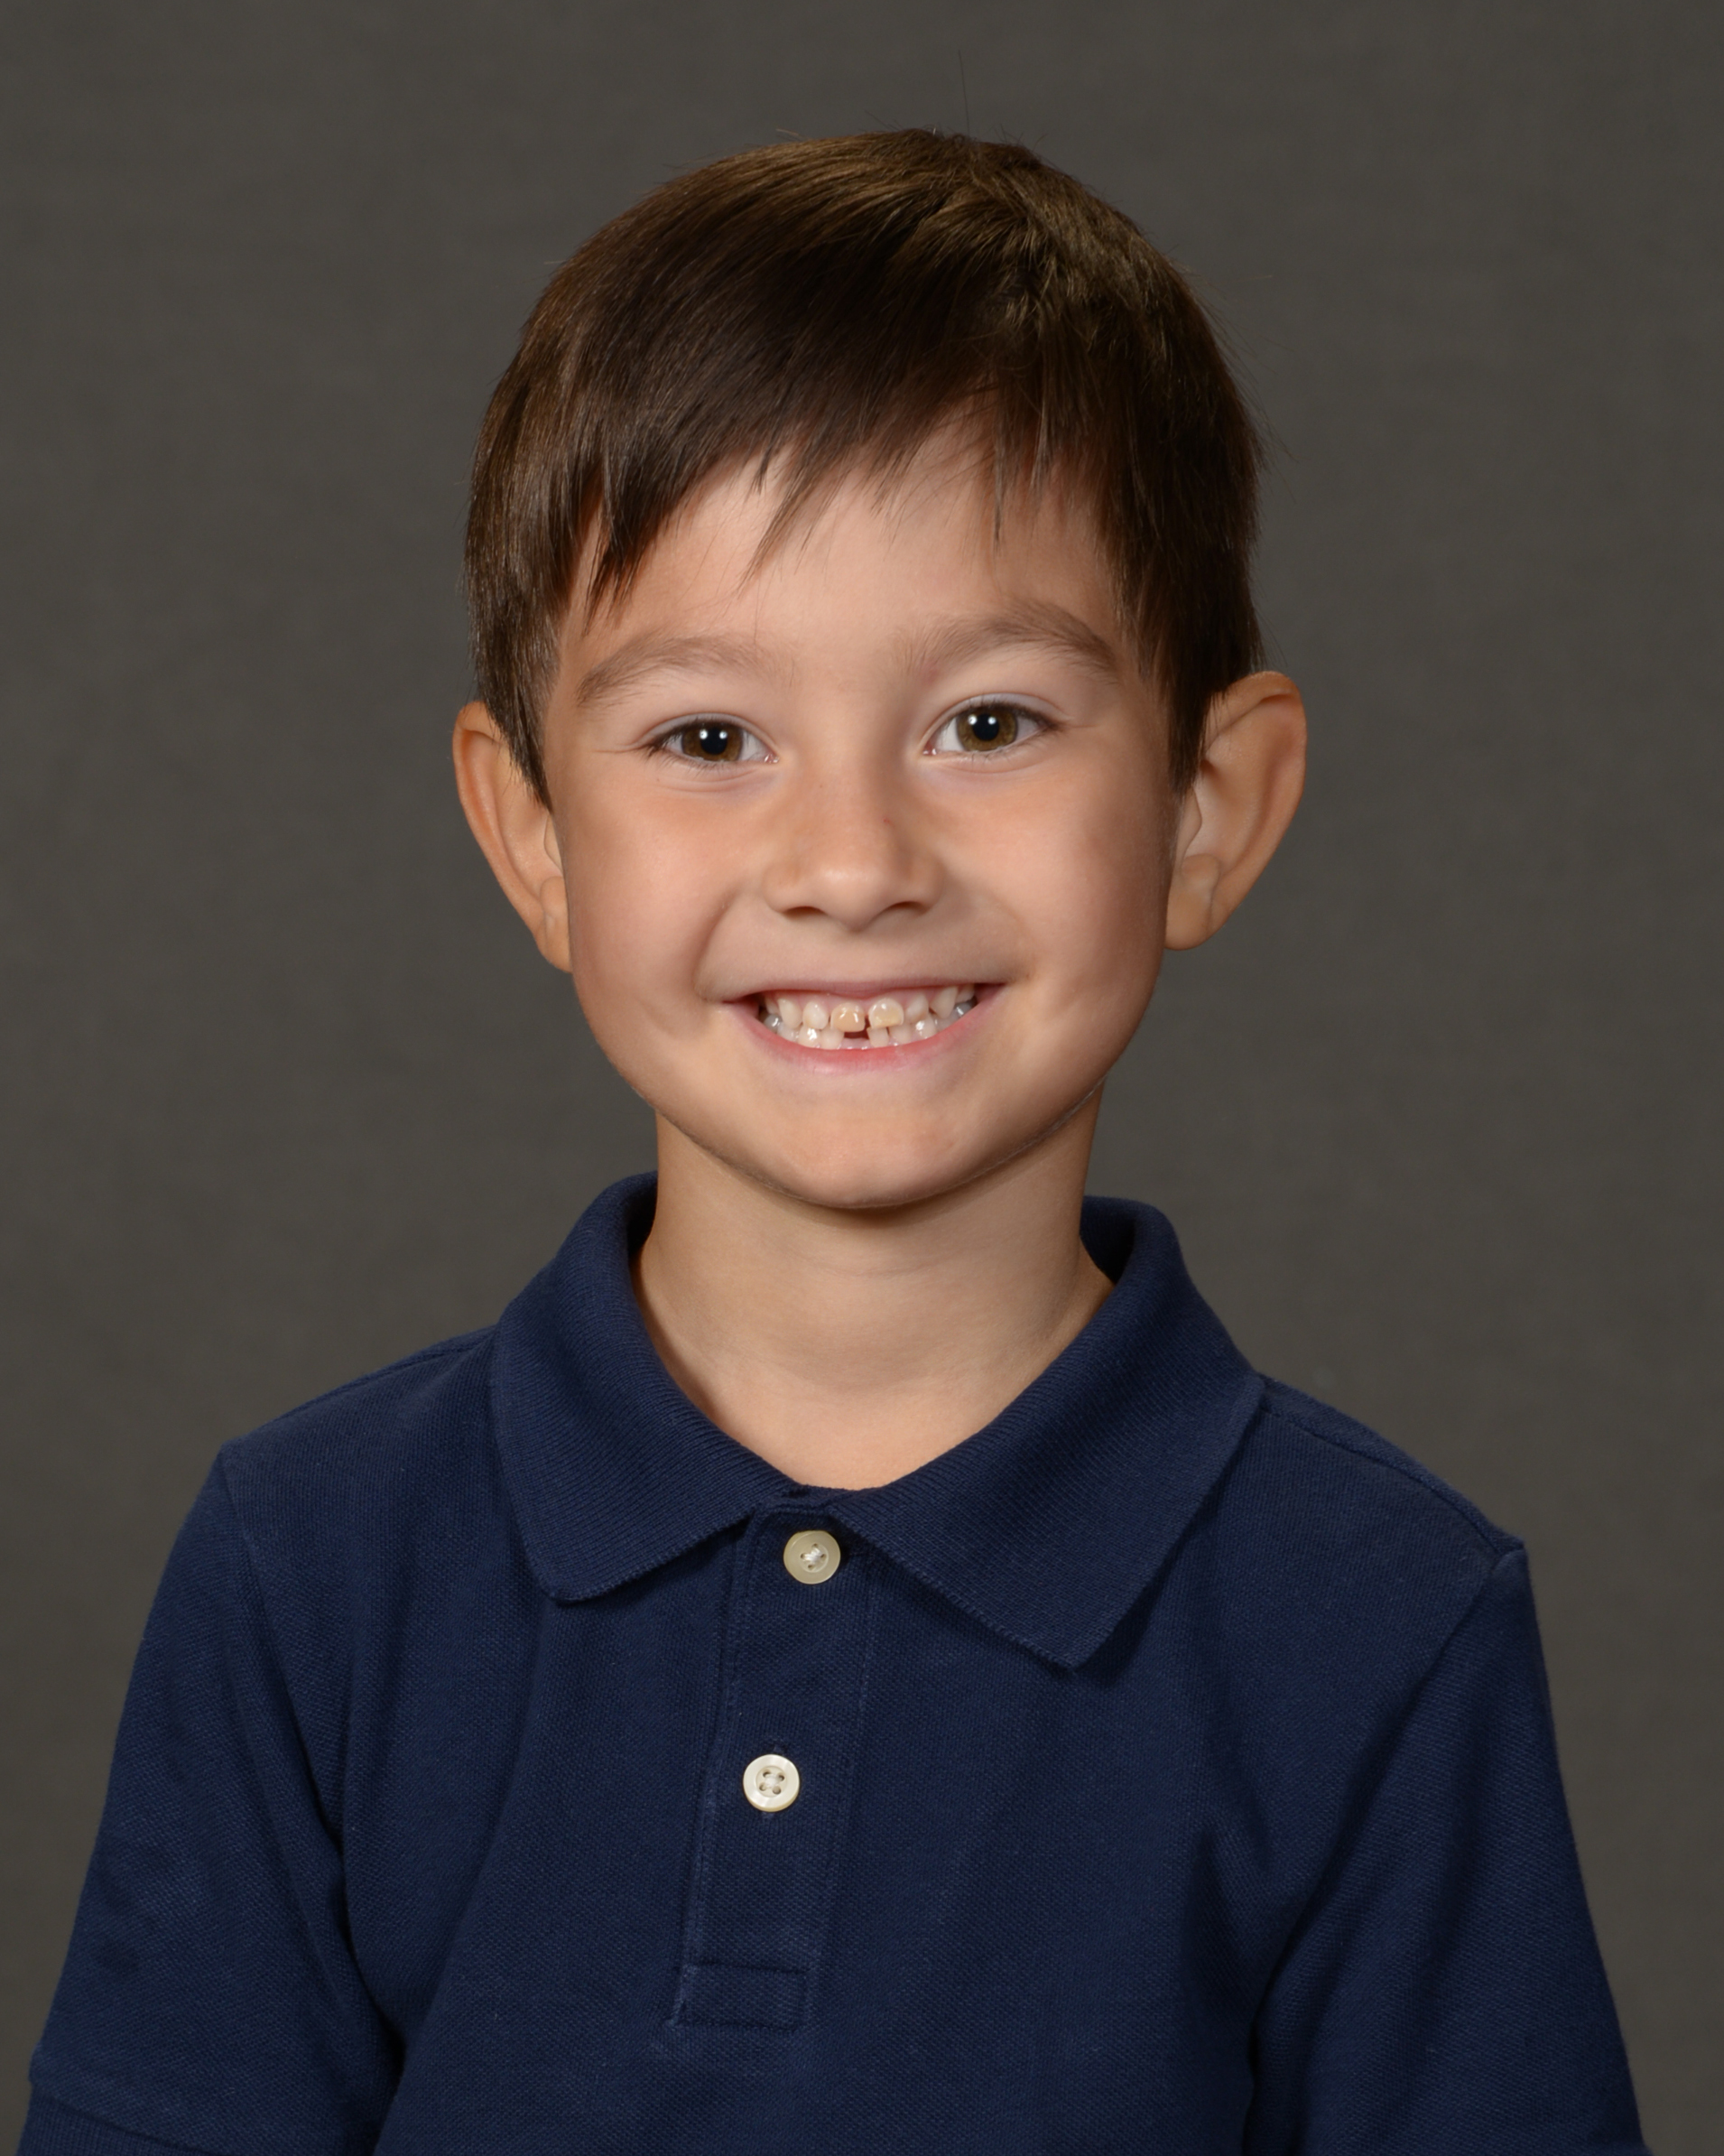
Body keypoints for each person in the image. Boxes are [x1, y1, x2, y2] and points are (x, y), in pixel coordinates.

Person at [21, 133, 1645, 2154]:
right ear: (531, 837)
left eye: (988, 723)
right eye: (709, 739)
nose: (853, 863)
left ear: (1209, 806)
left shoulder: (1379, 1620)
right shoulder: (314, 1569)